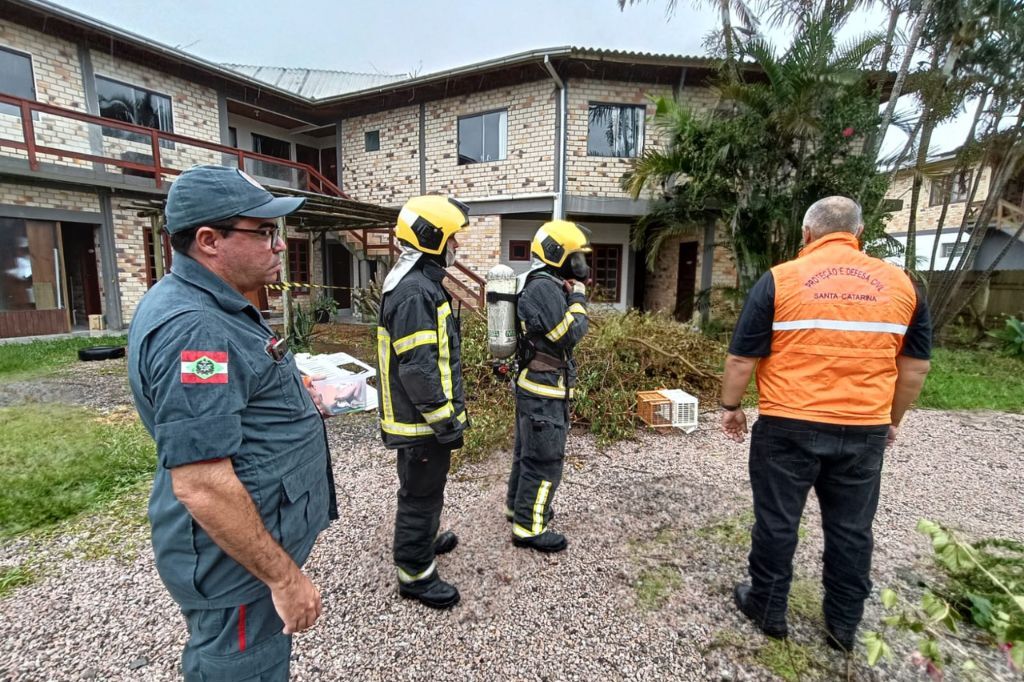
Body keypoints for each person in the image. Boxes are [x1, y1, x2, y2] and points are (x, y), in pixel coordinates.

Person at [127, 164, 338, 681]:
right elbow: (202, 484)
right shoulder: (196, 329)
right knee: (244, 666)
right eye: (264, 232)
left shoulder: (209, 302)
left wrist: (292, 391)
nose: (280, 246)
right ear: (208, 240)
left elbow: (235, 392)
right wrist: (284, 579)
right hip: (233, 566)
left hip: (247, 542)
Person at [719, 196, 932, 653]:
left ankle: (769, 608)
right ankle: (843, 626)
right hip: (864, 428)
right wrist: (892, 419)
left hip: (788, 423)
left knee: (777, 521)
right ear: (859, 233)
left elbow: (741, 358)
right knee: (852, 529)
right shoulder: (901, 285)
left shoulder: (782, 279)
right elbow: (915, 368)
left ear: (807, 234)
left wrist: (731, 407)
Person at [376, 195, 471, 609]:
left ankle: (427, 540)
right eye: (453, 238)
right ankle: (415, 573)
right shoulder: (416, 291)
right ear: (432, 238)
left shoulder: (419, 281)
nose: (457, 247)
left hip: (422, 420)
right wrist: (444, 420)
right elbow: (417, 369)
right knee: (420, 494)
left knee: (427, 488)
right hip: (421, 423)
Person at [504, 220, 591, 553]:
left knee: (528, 455)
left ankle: (518, 508)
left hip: (539, 387)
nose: (581, 265)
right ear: (557, 255)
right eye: (576, 257)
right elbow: (568, 333)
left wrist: (568, 294)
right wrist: (580, 296)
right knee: (544, 460)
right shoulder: (543, 287)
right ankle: (529, 528)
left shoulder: (547, 284)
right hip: (543, 390)